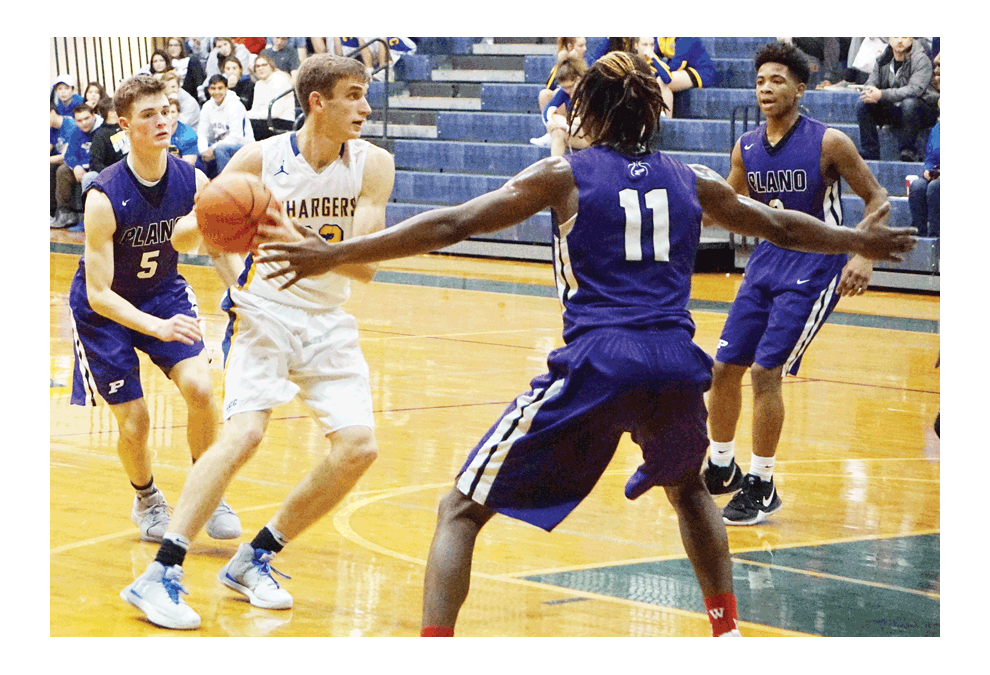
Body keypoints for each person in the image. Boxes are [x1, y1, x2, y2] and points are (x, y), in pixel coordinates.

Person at [252, 51, 915, 637]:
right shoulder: (694, 178)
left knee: (459, 508)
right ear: (654, 114)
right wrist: (861, 240)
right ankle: (727, 635)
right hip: (676, 365)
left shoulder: (564, 175)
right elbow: (779, 226)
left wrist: (326, 254)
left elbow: (452, 222)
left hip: (598, 362)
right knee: (688, 492)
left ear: (588, 112)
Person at [120, 53, 396, 631]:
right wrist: (221, 219)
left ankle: (255, 558)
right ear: (317, 102)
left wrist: (283, 227)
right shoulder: (261, 159)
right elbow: (185, 235)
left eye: (365, 94)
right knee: (244, 432)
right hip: (263, 313)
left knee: (359, 448)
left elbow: (365, 267)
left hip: (329, 321)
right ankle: (159, 574)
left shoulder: (374, 166)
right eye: (352, 95)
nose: (365, 107)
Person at [701, 42, 891, 526]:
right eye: (760, 80)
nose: (766, 88)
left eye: (777, 80)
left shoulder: (830, 142)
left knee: (766, 371)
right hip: (765, 265)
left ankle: (762, 484)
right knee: (724, 369)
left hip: (816, 268)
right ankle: (722, 464)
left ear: (800, 88)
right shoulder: (745, 146)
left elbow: (877, 197)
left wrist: (864, 255)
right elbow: (727, 203)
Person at [67, 74, 241, 548]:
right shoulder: (103, 196)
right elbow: (100, 293)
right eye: (148, 115)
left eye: (166, 110)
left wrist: (241, 291)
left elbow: (217, 243)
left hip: (162, 290)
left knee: (202, 389)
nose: (162, 120)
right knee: (136, 421)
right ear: (125, 126)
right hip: (103, 312)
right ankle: (146, 498)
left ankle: (207, 492)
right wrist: (157, 328)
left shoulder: (194, 180)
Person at [856, 37, 939, 162]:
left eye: (904, 36)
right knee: (863, 103)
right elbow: (871, 83)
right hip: (897, 109)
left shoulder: (921, 60)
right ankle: (870, 150)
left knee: (909, 103)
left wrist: (882, 94)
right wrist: (870, 91)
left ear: (911, 39)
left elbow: (914, 90)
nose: (900, 40)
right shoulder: (882, 60)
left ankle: (908, 150)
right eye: (896, 36)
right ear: (889, 39)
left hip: (922, 110)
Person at [52, 103, 103, 228]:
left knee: (89, 176)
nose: (84, 123)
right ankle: (65, 212)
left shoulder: (102, 129)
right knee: (62, 170)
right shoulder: (76, 131)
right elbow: (69, 155)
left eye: (86, 118)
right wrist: (76, 166)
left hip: (98, 166)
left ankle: (90, 218)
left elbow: (99, 157)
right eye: (79, 120)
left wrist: (82, 165)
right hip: (81, 167)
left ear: (93, 115)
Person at [197, 74, 254, 178]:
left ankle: (225, 183)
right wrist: (204, 150)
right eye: (213, 89)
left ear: (226, 89)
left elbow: (236, 138)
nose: (216, 92)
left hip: (243, 146)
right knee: (195, 149)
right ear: (208, 90)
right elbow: (202, 133)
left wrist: (213, 148)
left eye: (220, 88)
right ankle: (201, 185)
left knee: (220, 150)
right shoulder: (207, 106)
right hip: (220, 144)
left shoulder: (235, 106)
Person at [908, 52, 940, 237]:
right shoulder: (938, 127)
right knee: (918, 185)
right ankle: (919, 236)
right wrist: (928, 170)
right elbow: (930, 157)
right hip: (938, 175)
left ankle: (937, 236)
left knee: (936, 188)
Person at [247, 51, 296, 140]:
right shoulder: (258, 84)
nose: (260, 68)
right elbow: (255, 109)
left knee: (250, 126)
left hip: (283, 122)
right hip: (265, 120)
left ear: (271, 66)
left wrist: (250, 115)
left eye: (264, 65)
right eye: (257, 66)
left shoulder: (279, 80)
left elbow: (275, 113)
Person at [84, 99, 128, 193]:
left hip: (135, 168)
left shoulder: (127, 125)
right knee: (89, 176)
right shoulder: (100, 135)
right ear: (111, 113)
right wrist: (113, 174)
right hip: (116, 173)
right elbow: (95, 162)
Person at [165, 37, 207, 103]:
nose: (172, 48)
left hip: (190, 94)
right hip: (173, 96)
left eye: (175, 45)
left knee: (194, 60)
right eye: (170, 45)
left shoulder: (190, 60)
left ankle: (200, 95)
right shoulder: (167, 64)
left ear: (181, 47)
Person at [167, 96, 199, 165]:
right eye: (166, 112)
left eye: (172, 112)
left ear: (178, 113)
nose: (169, 116)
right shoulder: (155, 132)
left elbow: (187, 167)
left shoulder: (189, 135)